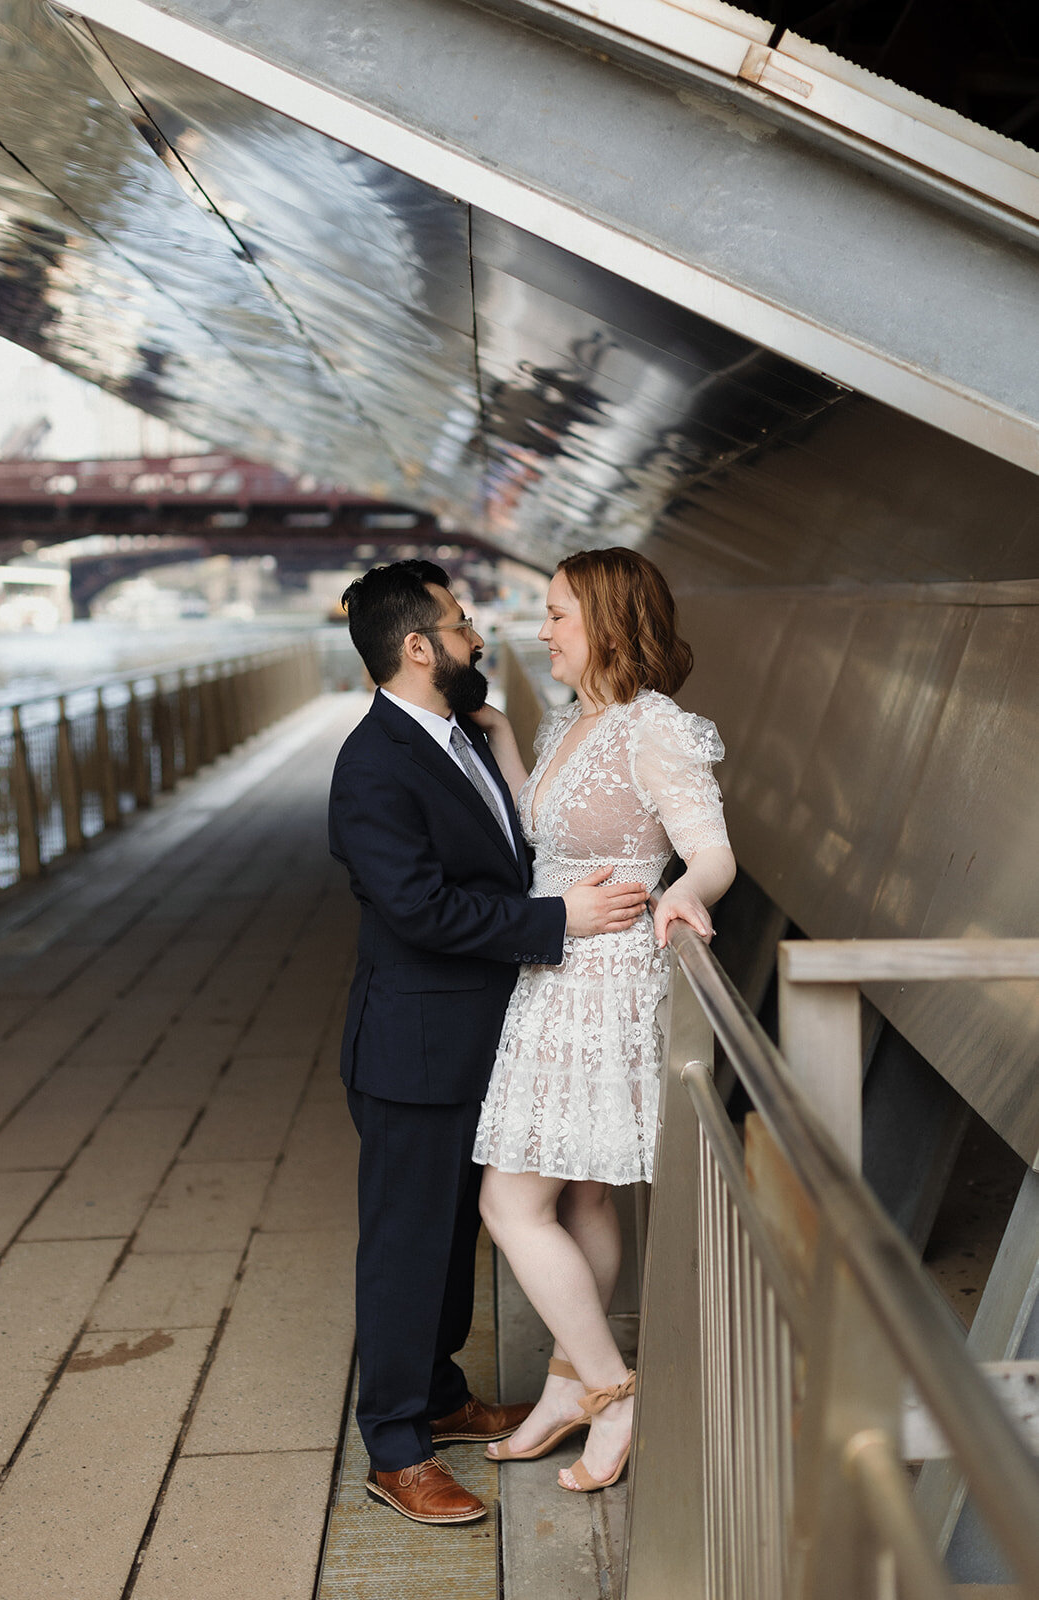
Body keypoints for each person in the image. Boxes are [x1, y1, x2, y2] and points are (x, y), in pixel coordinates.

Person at [327, 559, 649, 1526]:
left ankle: (439, 1395)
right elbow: (419, 907)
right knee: (404, 1246)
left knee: (453, 1233)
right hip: (412, 1051)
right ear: (419, 647)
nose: (478, 639)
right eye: (462, 626)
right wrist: (557, 922)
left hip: (479, 1036)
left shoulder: (459, 736)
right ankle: (396, 1447)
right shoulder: (373, 762)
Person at [471, 547, 736, 1493]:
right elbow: (547, 834)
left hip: (605, 982)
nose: (541, 630)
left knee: (509, 1201)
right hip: (553, 974)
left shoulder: (654, 727)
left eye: (556, 614)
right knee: (580, 1194)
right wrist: (500, 734)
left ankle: (611, 1391)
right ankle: (562, 1387)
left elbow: (711, 853)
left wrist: (680, 897)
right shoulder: (572, 721)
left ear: (607, 622)